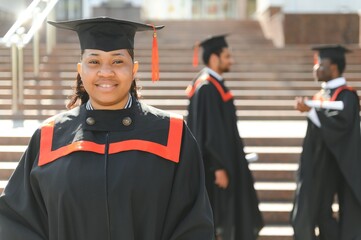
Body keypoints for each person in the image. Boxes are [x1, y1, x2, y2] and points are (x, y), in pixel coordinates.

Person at [0, 17, 215, 240]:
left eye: (117, 61)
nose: (105, 72)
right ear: (80, 71)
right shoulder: (49, 138)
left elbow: (193, 224)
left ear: (134, 70)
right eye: (93, 62)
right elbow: (16, 222)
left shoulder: (172, 135)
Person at [186, 35, 264, 240]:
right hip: (217, 168)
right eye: (227, 56)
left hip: (222, 163)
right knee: (220, 218)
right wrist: (218, 167)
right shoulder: (207, 88)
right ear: (214, 58)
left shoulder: (211, 85)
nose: (231, 60)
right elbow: (210, 132)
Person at [291, 44, 361, 240]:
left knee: (334, 217)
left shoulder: (347, 95)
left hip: (341, 164)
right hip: (319, 165)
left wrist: (312, 111)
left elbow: (342, 125)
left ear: (333, 68)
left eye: (320, 64)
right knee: (313, 215)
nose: (315, 68)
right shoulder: (322, 96)